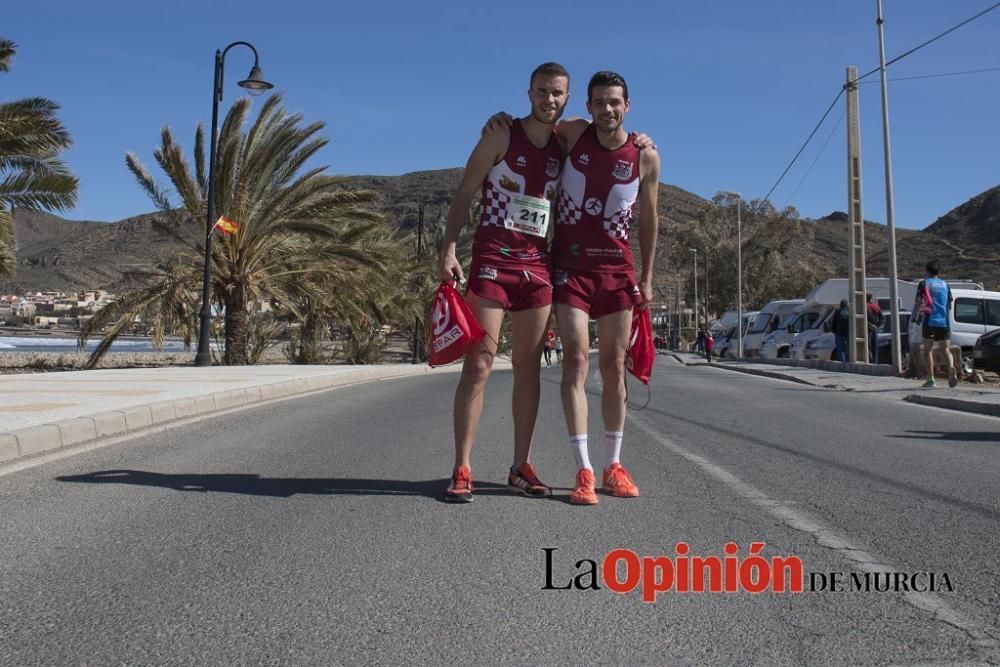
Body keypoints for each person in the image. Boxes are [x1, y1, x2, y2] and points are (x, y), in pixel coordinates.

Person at [437, 62, 571, 503]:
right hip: (494, 261)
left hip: (538, 268)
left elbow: (611, 136)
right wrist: (449, 249)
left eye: (556, 93)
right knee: (478, 365)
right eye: (541, 92)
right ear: (528, 92)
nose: (548, 100)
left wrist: (641, 142)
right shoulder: (500, 134)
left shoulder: (566, 142)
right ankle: (462, 465)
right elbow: (463, 193)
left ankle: (520, 466)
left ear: (565, 98)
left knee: (528, 369)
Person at [550, 71, 659, 505]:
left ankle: (614, 465)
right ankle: (584, 469)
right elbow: (536, 124)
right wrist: (502, 119)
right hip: (571, 267)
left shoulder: (646, 155)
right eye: (599, 102)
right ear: (589, 105)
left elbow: (650, 219)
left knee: (614, 365)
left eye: (614, 102)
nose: (606, 109)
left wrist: (647, 277)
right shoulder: (574, 133)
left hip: (617, 271)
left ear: (627, 105)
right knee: (575, 358)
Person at [914, 260, 957, 388]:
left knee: (927, 350)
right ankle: (950, 367)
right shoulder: (945, 284)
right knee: (946, 349)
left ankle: (931, 380)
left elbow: (918, 301)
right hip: (944, 322)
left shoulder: (924, 283)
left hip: (929, 320)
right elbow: (949, 302)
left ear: (927, 271)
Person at [830, 299, 851, 363]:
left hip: (839, 333)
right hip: (849, 333)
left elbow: (834, 322)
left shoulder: (837, 311)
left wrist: (833, 331)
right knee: (849, 348)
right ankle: (848, 359)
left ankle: (842, 360)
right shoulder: (850, 311)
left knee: (840, 348)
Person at [866, 292, 883, 364]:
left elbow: (864, 319)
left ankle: (870, 362)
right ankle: (875, 362)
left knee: (868, 347)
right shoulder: (876, 306)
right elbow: (882, 318)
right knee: (875, 347)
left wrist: (869, 325)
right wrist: (877, 326)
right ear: (871, 298)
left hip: (867, 329)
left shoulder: (865, 306)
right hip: (875, 329)